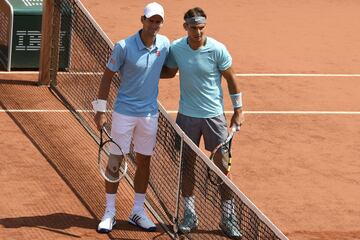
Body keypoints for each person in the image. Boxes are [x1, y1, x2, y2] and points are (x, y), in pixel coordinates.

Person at [161, 7, 245, 239]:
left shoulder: (217, 49)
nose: (198, 32)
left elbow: (232, 79)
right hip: (186, 117)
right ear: (185, 27)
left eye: (201, 27)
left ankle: (228, 217)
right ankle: (190, 214)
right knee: (187, 166)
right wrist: (138, 69)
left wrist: (238, 110)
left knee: (223, 170)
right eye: (193, 27)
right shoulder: (177, 48)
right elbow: (168, 72)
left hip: (214, 118)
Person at [92, 2, 169, 233]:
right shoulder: (123, 46)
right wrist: (100, 110)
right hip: (124, 113)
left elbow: (169, 69)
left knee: (145, 161)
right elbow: (107, 77)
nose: (154, 25)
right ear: (142, 20)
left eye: (158, 21)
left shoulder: (164, 45)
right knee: (115, 161)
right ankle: (110, 212)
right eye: (150, 20)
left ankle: (137, 211)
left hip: (149, 115)